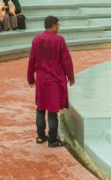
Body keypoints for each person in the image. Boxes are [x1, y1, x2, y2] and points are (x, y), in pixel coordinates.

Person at [27, 15, 75, 148]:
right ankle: (52, 140)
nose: (58, 27)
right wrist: (71, 77)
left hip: (42, 80)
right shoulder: (59, 40)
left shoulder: (37, 40)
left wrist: (30, 77)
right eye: (58, 25)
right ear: (53, 25)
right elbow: (66, 60)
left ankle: (41, 136)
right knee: (53, 110)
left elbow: (32, 59)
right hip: (55, 80)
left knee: (41, 108)